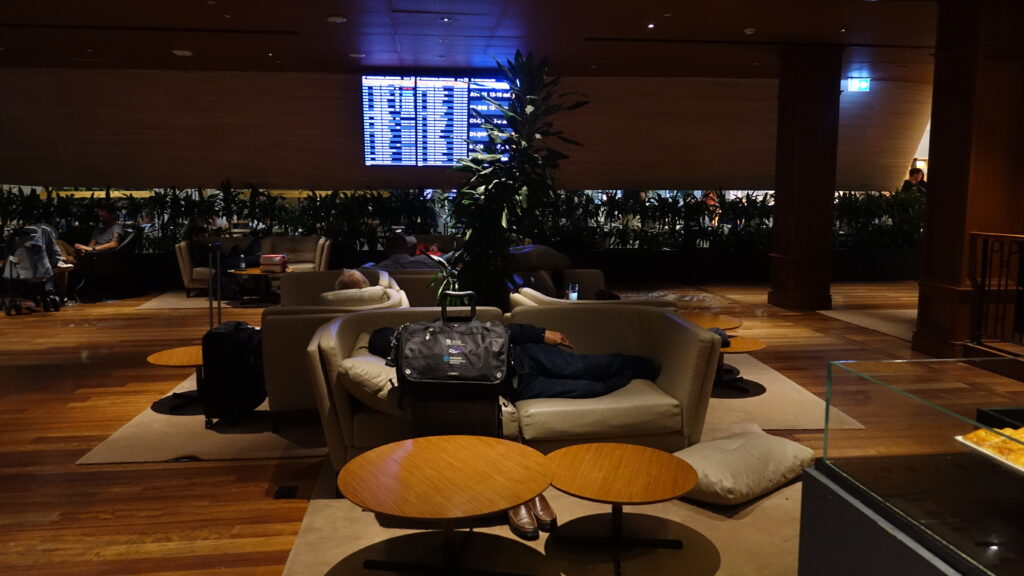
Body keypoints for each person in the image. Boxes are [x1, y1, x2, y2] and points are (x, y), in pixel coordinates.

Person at [367, 321, 659, 541]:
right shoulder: (415, 370)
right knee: (591, 388)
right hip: (521, 388)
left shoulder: (433, 333)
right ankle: (630, 376)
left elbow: (496, 329)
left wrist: (542, 333)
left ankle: (643, 365)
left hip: (524, 356)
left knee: (587, 366)